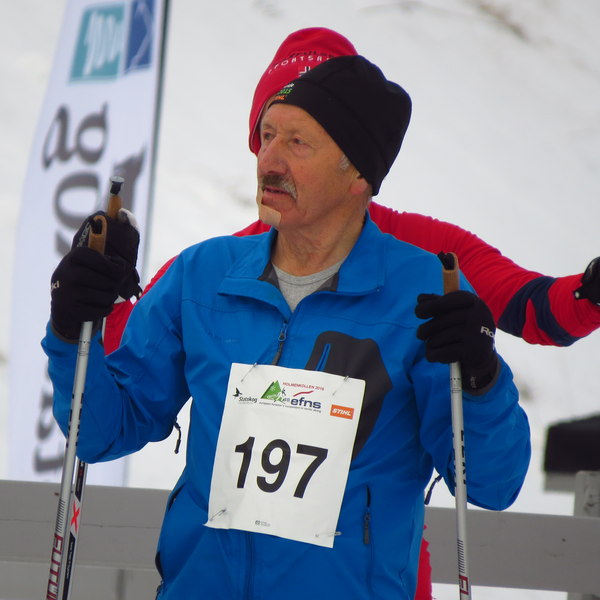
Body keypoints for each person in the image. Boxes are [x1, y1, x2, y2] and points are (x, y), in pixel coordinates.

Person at [97, 27, 600, 600]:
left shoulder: (423, 263)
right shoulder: (209, 271)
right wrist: (95, 301)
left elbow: (534, 308)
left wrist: (585, 296)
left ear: (354, 154)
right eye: (269, 132)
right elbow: (117, 373)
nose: (274, 156)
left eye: (302, 137)